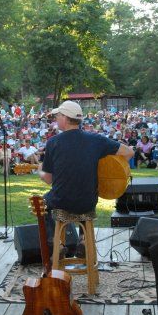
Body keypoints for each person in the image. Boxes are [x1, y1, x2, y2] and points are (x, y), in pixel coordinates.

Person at [38, 101, 133, 257]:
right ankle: (83, 240)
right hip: (88, 203)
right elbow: (128, 152)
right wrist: (107, 171)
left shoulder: (53, 142)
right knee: (83, 192)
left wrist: (39, 171)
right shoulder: (97, 140)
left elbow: (48, 179)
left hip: (62, 202)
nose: (55, 118)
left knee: (43, 202)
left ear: (65, 118)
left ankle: (57, 243)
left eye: (57, 115)